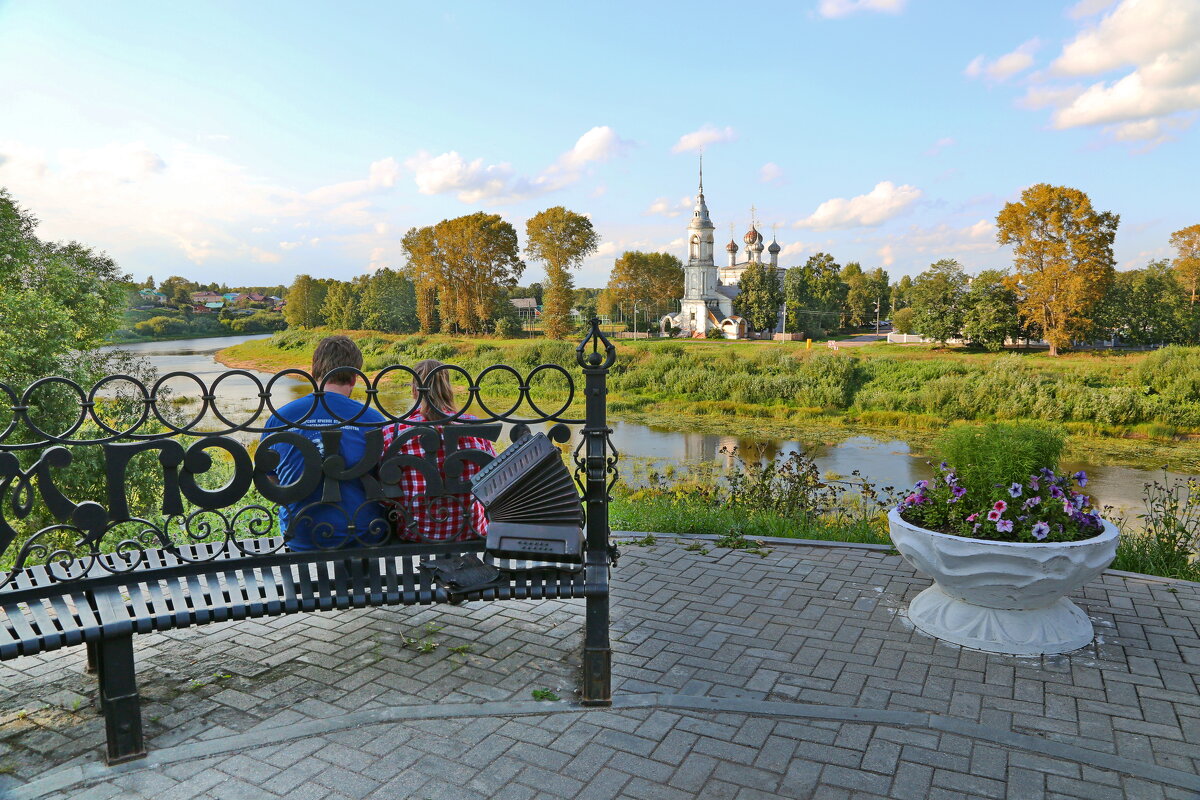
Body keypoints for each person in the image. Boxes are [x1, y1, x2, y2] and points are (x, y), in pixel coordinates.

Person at [260, 335, 386, 550]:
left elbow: (270, 477)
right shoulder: (373, 419)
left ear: (313, 372)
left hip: (301, 534)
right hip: (365, 533)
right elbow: (387, 478)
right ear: (355, 378)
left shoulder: (280, 417)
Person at [380, 359, 496, 542]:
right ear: (448, 387)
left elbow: (385, 493)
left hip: (417, 532)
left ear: (414, 390)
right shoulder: (474, 427)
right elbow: (494, 481)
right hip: (471, 529)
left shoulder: (393, 432)